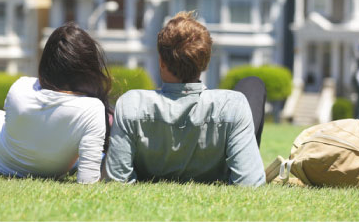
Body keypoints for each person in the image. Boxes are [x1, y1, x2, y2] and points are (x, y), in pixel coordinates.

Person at [104, 11, 266, 185]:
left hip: (147, 168)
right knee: (253, 84)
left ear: (161, 61)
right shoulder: (233, 104)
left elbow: (117, 179)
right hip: (218, 168)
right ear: (205, 61)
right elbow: (250, 183)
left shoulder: (131, 103)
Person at [0, 22, 112, 183]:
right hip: (54, 168)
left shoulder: (20, 86)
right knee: (92, 152)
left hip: (1, 160)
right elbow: (88, 180)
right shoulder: (92, 108)